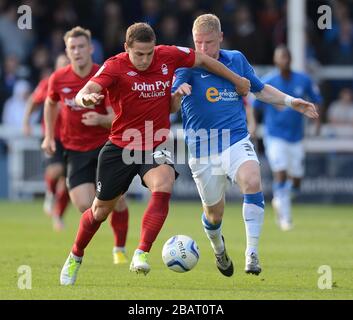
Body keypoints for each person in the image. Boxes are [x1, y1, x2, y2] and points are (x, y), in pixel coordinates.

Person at [59, 22, 250, 285]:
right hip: (121, 146)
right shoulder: (115, 65)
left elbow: (204, 60)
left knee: (164, 184)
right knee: (100, 211)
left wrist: (237, 79)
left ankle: (141, 253)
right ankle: (75, 256)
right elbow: (86, 91)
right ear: (127, 48)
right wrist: (86, 99)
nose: (145, 59)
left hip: (155, 144)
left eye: (149, 53)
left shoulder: (168, 55)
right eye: (139, 54)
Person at [171, 14, 318, 276]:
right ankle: (218, 249)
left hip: (235, 139)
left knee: (252, 180)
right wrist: (177, 93)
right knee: (214, 215)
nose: (202, 49)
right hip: (203, 150)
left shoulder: (236, 59)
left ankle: (252, 253)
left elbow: (260, 89)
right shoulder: (187, 65)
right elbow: (172, 100)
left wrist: (290, 101)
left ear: (220, 38)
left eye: (208, 43)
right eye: (198, 43)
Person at [41, 27, 129, 264]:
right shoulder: (58, 79)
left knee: (117, 200)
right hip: (75, 151)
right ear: (67, 51)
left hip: (105, 148)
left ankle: (119, 249)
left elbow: (118, 117)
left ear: (90, 49)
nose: (77, 51)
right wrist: (49, 136)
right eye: (72, 47)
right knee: (84, 205)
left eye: (81, 46)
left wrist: (100, 120)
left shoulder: (103, 75)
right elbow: (50, 105)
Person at [253, 44, 322, 231]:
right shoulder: (268, 81)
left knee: (297, 180)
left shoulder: (303, 80)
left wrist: (317, 123)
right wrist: (252, 124)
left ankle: (282, 198)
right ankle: (285, 217)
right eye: (280, 57)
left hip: (296, 137)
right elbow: (253, 104)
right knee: (281, 172)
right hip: (274, 135)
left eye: (286, 57)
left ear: (290, 59)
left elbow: (316, 99)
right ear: (275, 60)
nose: (283, 60)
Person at [23, 54, 71, 231]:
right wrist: (26, 122)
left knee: (68, 182)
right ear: (57, 66)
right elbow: (34, 101)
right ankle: (50, 194)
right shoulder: (49, 82)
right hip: (53, 136)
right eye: (63, 64)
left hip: (74, 138)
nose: (66, 66)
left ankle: (58, 216)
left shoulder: (80, 83)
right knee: (56, 170)